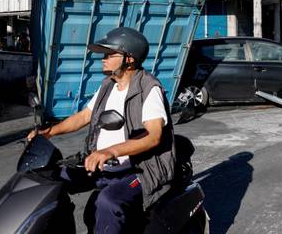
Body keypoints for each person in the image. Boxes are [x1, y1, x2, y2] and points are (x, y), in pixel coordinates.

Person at [27, 27, 175, 234]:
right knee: (49, 181)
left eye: (108, 54)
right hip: (103, 165)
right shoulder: (108, 85)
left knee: (108, 202)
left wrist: (110, 151)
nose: (103, 59)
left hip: (139, 169)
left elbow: (153, 136)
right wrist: (49, 132)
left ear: (129, 58)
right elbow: (84, 116)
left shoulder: (148, 89)